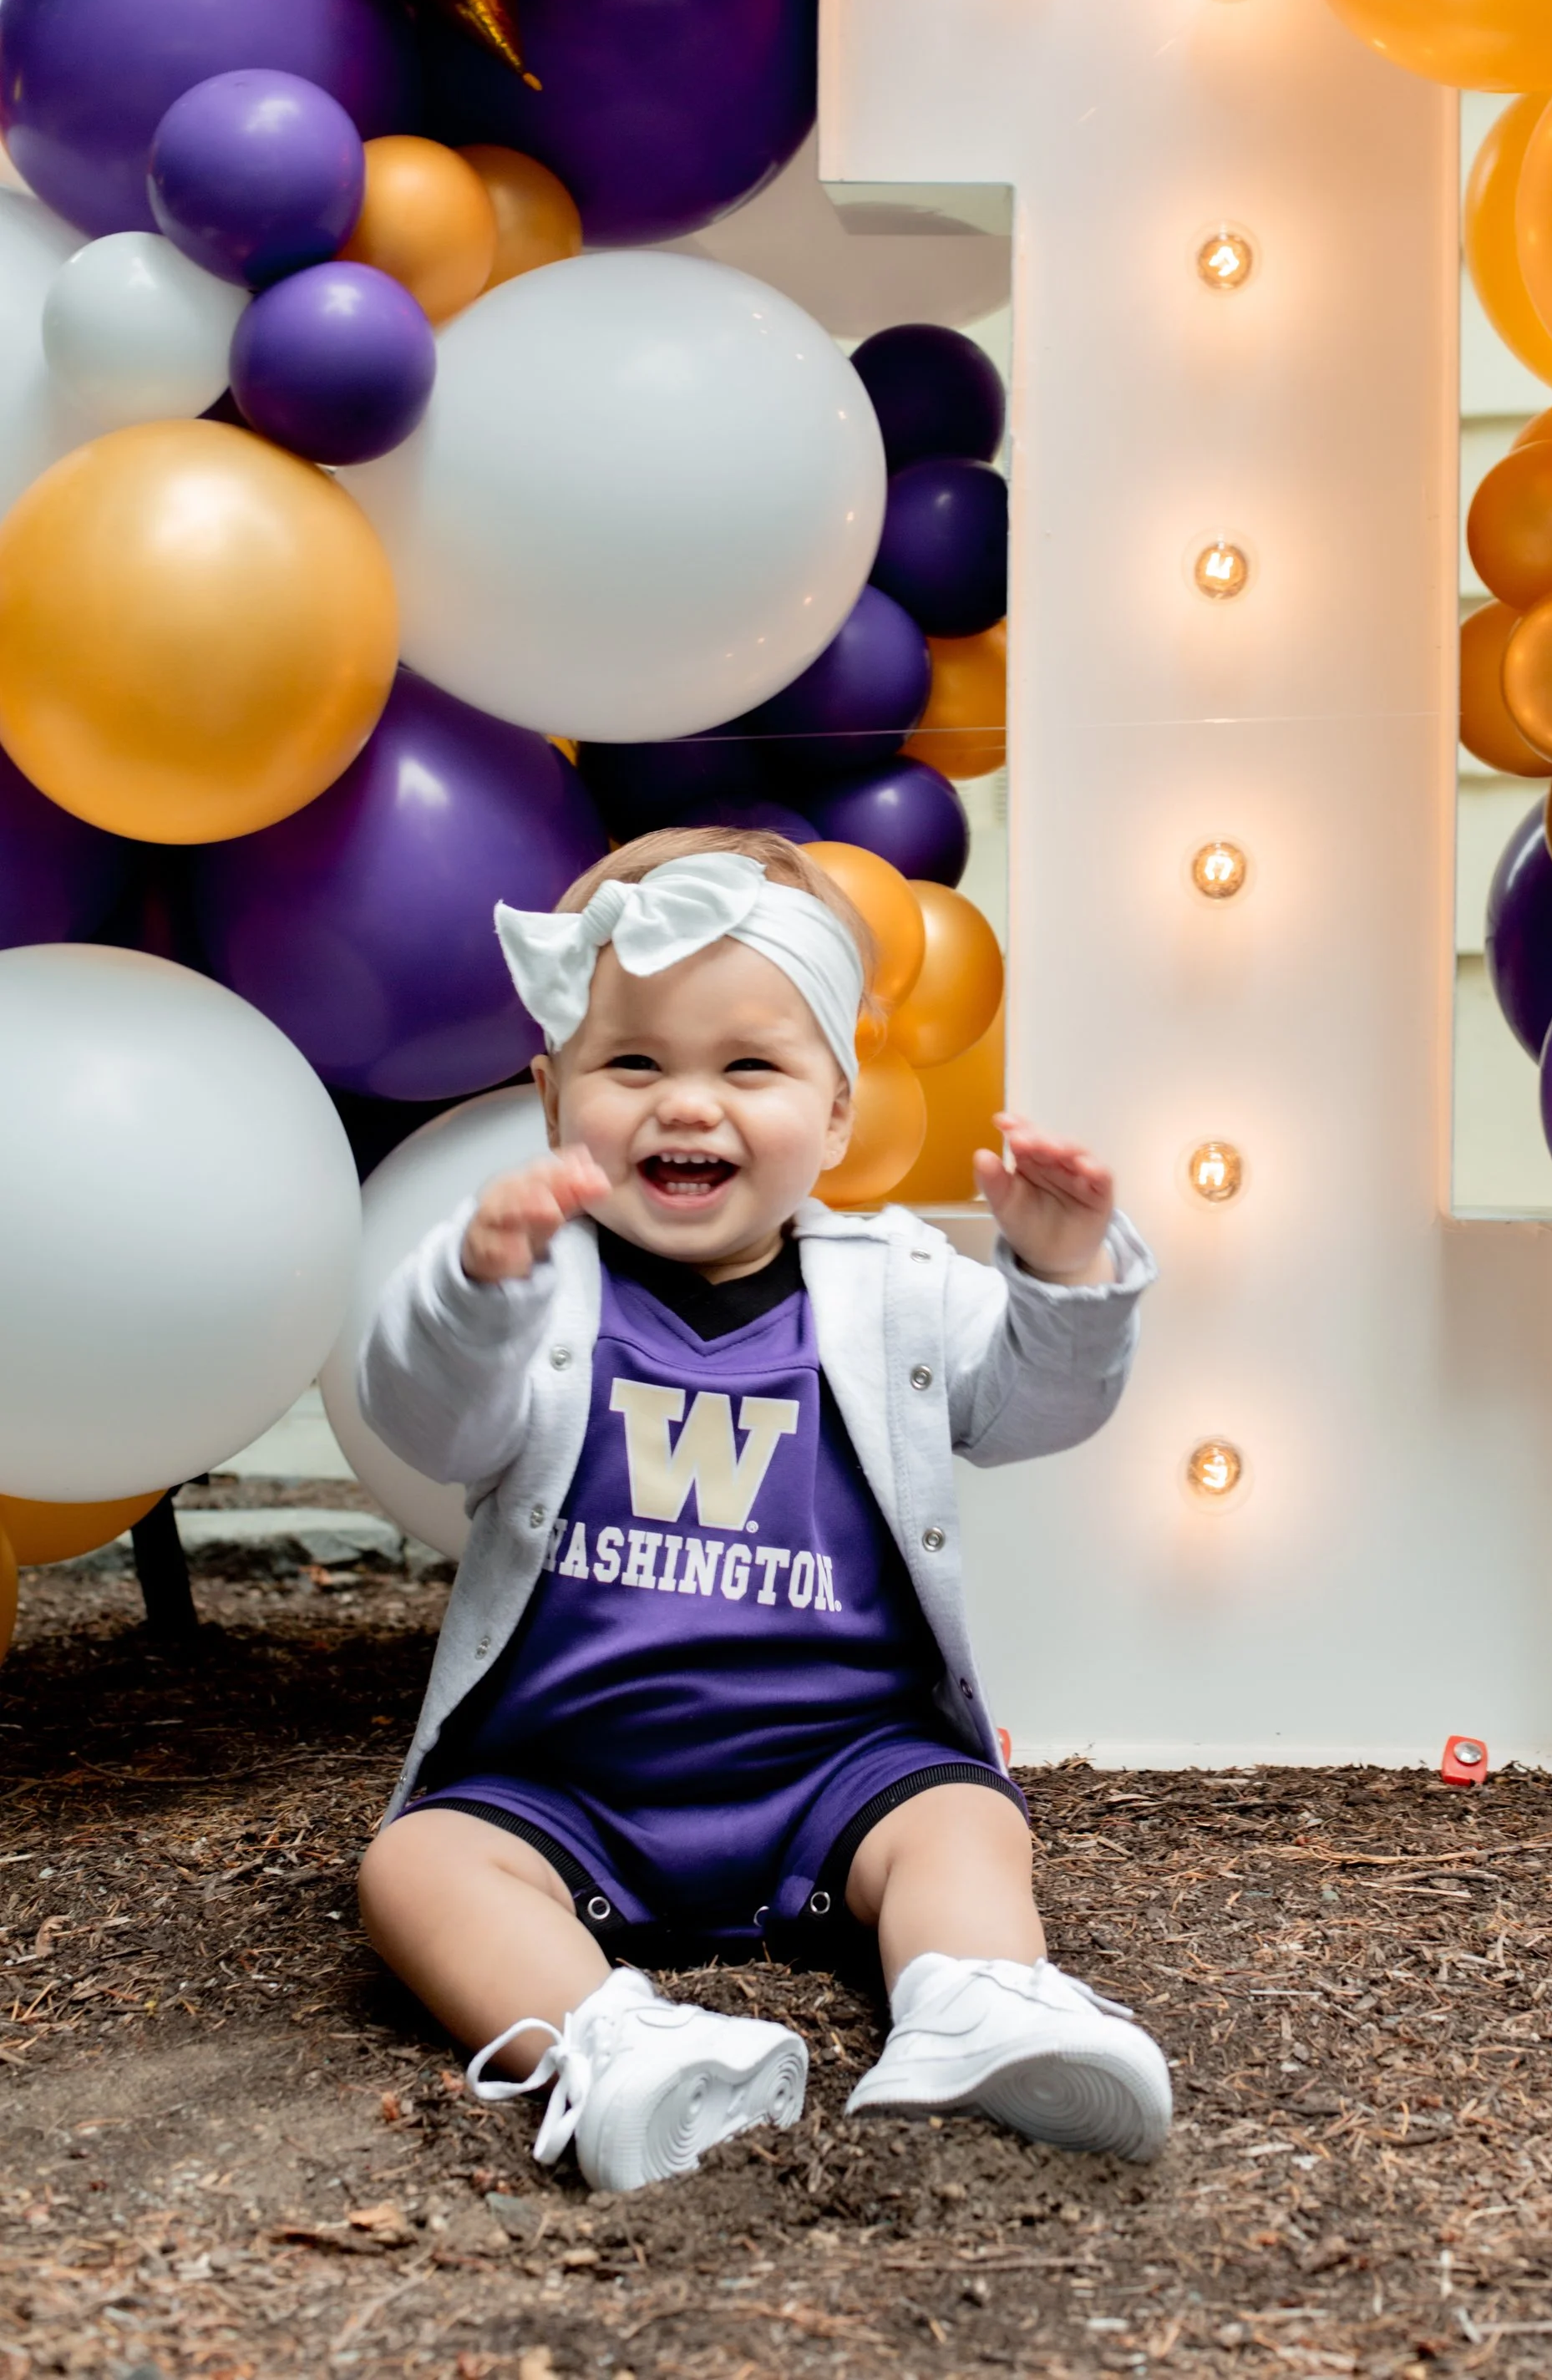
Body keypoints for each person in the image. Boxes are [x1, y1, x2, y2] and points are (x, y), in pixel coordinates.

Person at [355, 826, 1169, 2195]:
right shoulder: (540, 1291)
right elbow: (426, 1421)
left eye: (749, 1065)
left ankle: (977, 1998)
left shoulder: (897, 1283)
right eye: (634, 1063)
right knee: (416, 1867)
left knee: (968, 1819)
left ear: (838, 1110)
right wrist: (472, 1291)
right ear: (554, 1096)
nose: (689, 1103)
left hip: (842, 1768)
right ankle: (613, 2043)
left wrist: (1062, 1269)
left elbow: (1035, 1411)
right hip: (564, 1780)